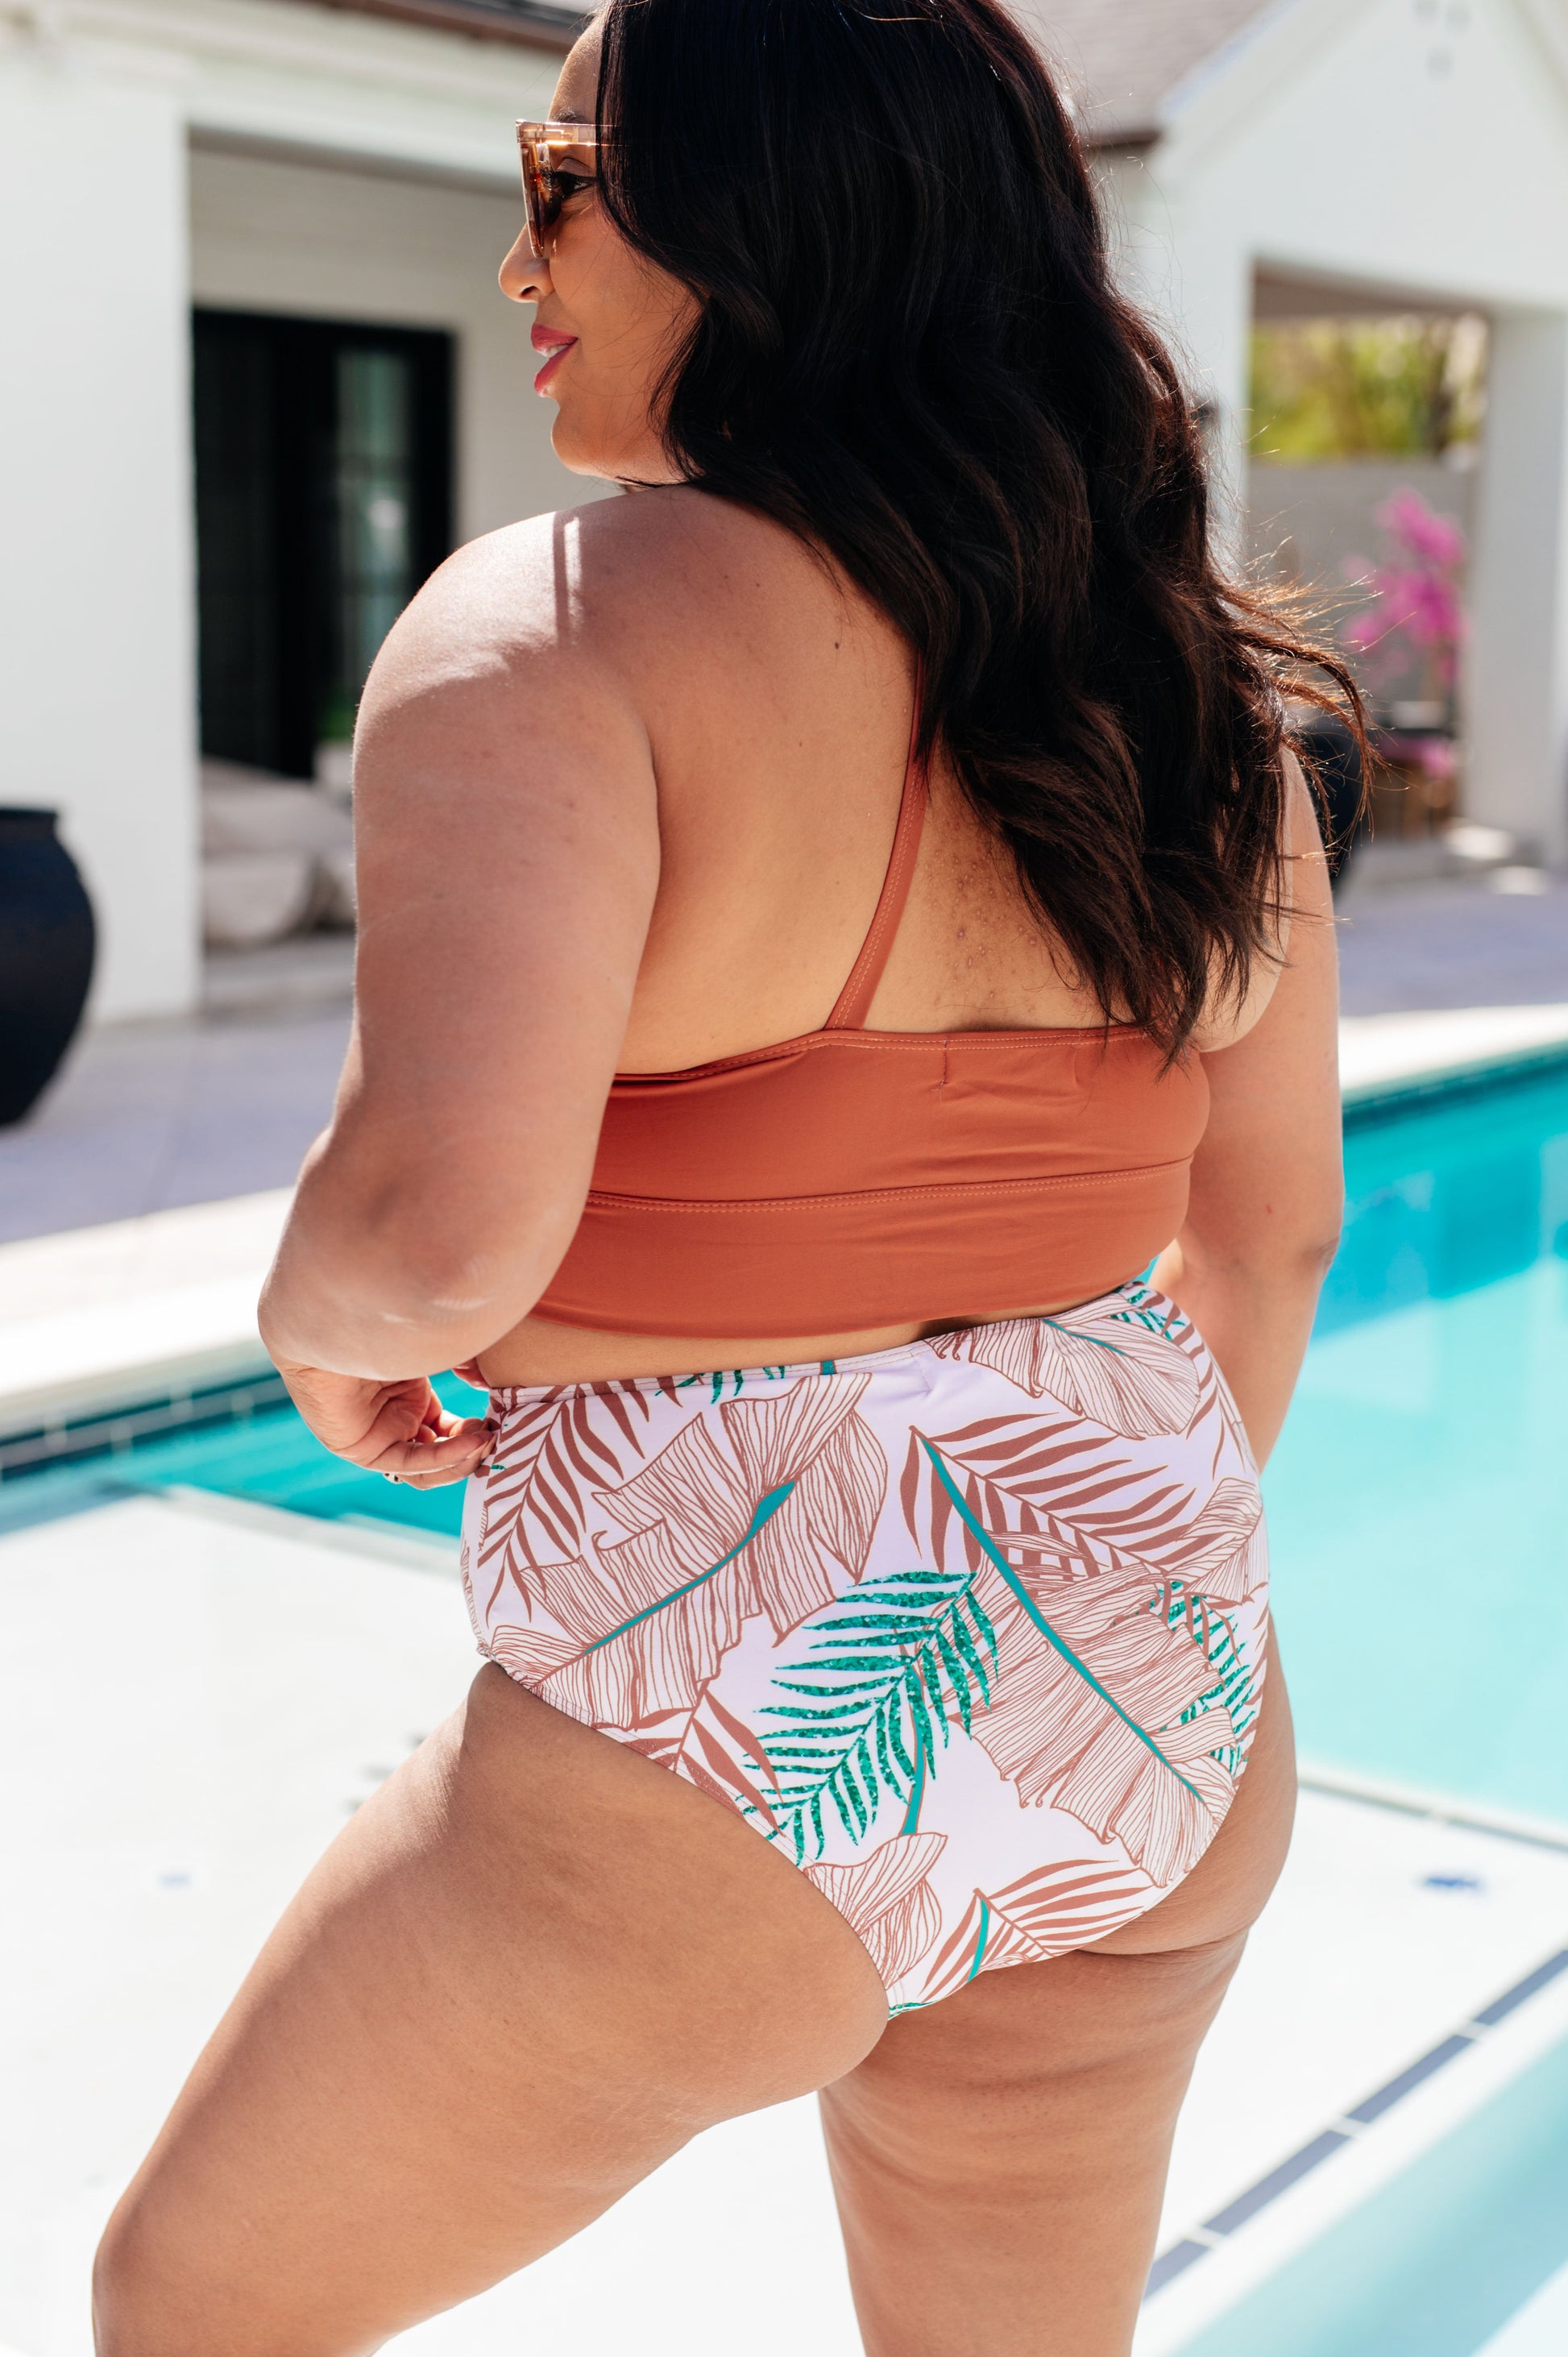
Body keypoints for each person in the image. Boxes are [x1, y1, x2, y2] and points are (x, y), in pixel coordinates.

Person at [93, 2, 1357, 2351]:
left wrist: (316, 1328)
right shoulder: (1185, 693)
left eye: (556, 176)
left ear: (755, 205)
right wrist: (1067, 1590)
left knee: (197, 2310)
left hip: (729, 1700)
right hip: (1157, 1654)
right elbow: (1271, 1236)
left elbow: (434, 1241)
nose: (518, 256)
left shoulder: (554, 629)